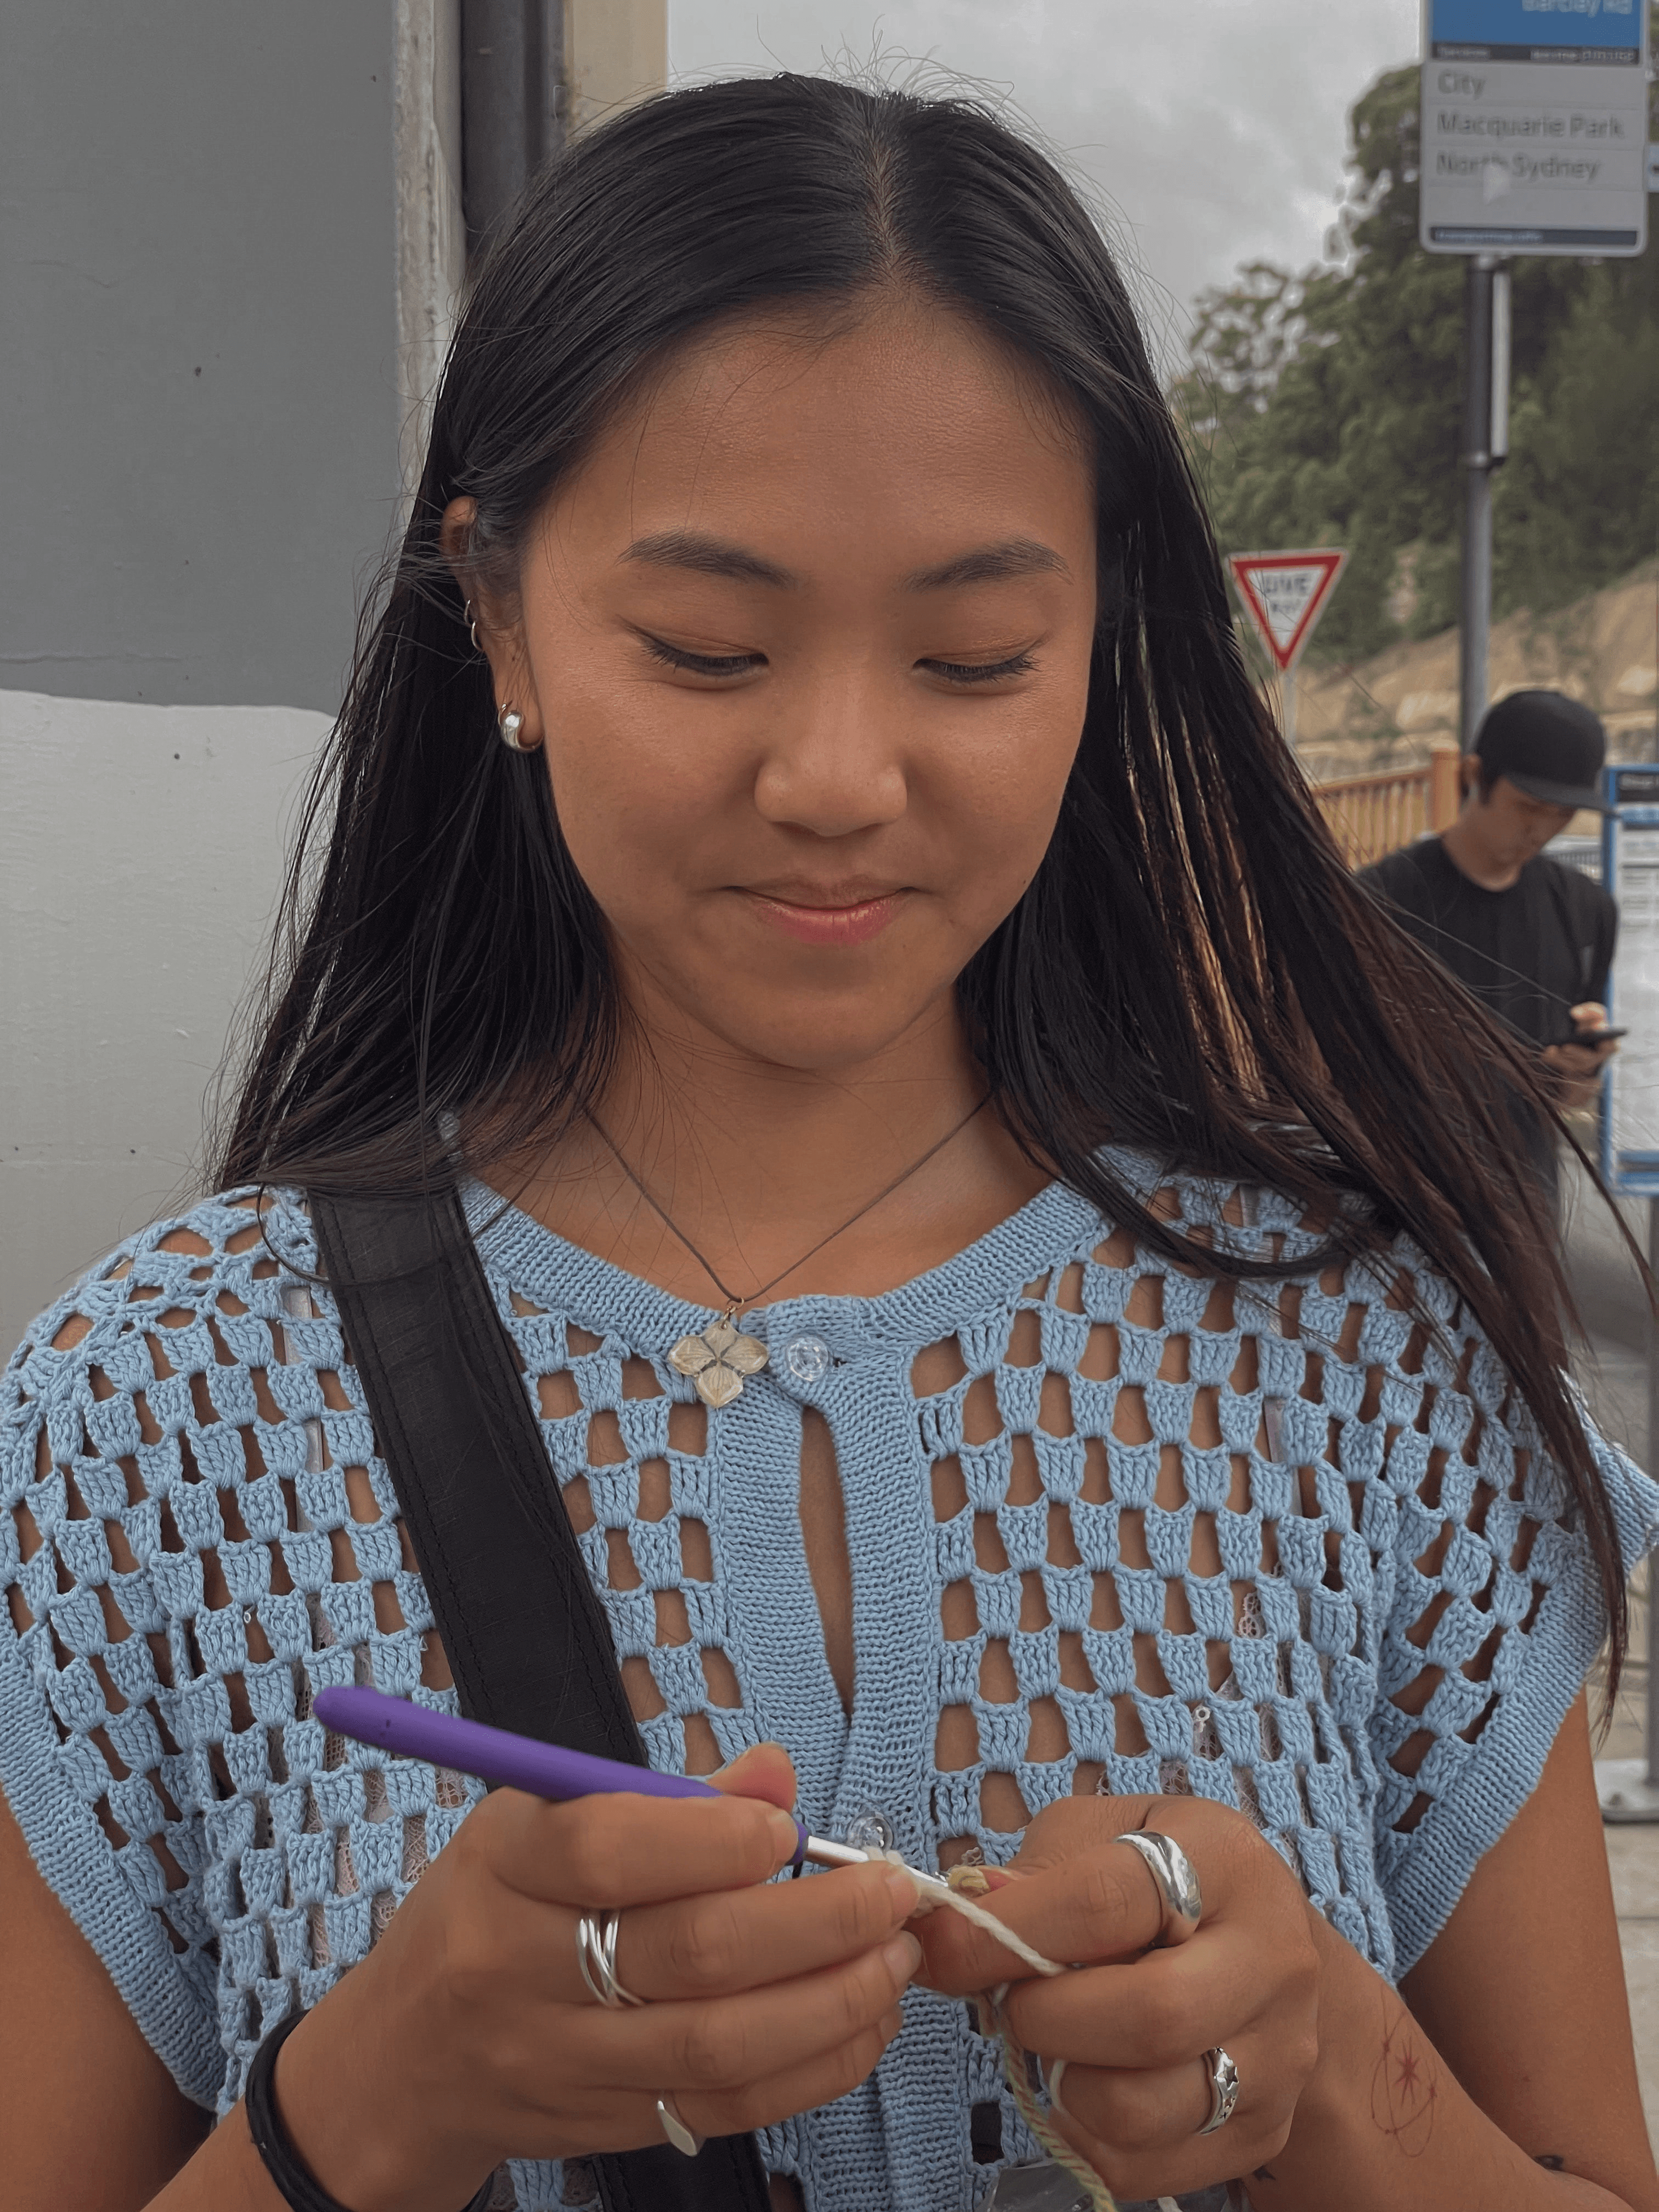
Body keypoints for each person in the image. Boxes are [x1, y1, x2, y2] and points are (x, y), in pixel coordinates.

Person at [1, 74, 1655, 2212]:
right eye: (709, 649)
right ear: (497, 616)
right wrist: (375, 2098)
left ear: (1102, 646)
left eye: (975, 657)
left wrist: (1329, 2069)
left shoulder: (1369, 1362)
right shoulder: (150, 1430)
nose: (842, 774)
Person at [1359, 691, 1620, 1193]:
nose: (1541, 829)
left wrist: (1581, 1071)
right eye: (1529, 807)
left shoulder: (1587, 910)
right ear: (1474, 775)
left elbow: (1569, 1095)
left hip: (1528, 1208)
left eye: (1563, 814)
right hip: (1399, 1204)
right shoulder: (1376, 900)